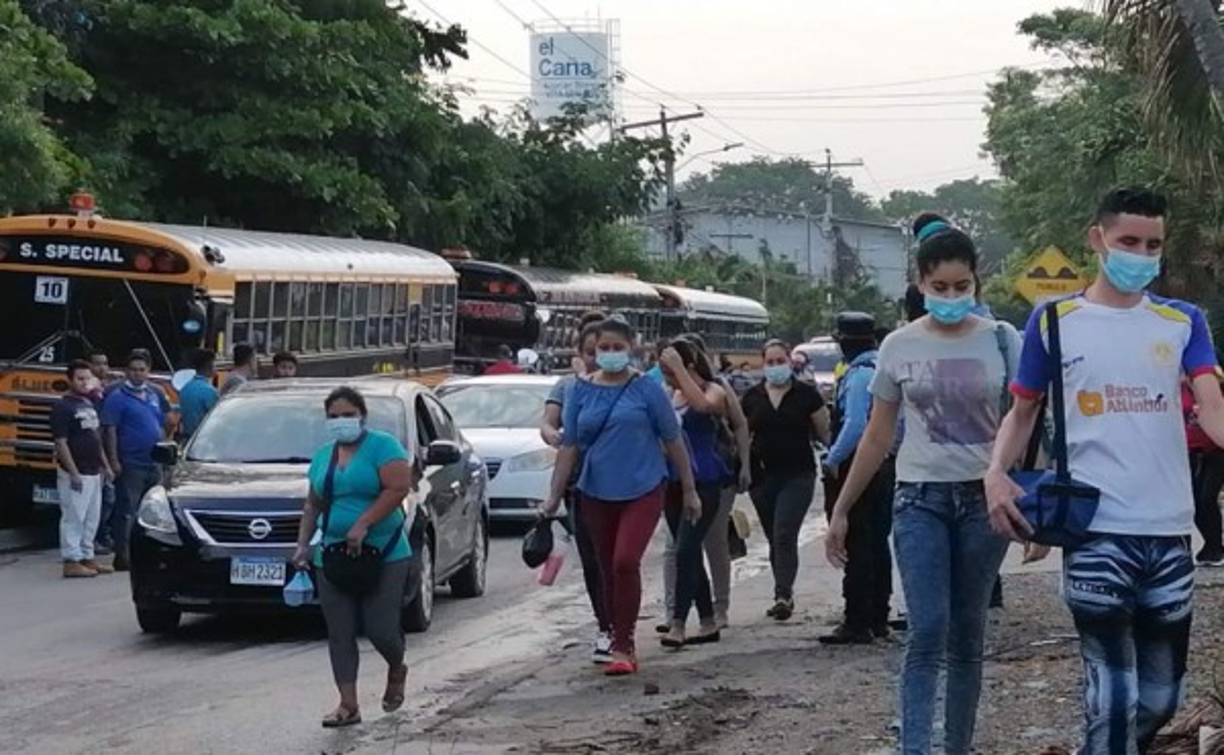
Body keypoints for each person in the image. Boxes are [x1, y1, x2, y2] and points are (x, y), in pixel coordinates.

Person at [985, 187, 1224, 754]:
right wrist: (996, 472)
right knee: (1112, 696)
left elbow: (1211, 406)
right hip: (1094, 530)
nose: (1141, 255)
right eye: (1129, 242)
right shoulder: (1055, 320)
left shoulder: (1183, 321)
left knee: (1162, 697)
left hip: (1169, 531)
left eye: (1153, 244)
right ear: (1098, 240)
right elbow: (1022, 411)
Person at [825, 213, 1022, 755]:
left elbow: (1025, 424)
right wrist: (842, 508)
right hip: (918, 501)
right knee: (927, 627)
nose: (952, 296)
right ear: (919, 285)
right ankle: (915, 746)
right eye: (940, 287)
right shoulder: (899, 347)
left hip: (985, 501)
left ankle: (957, 745)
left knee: (967, 634)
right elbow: (876, 435)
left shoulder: (1003, 342)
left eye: (962, 286)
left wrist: (1035, 517)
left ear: (977, 282)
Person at [540, 318, 699, 676]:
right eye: (604, 348)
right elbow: (570, 445)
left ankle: (625, 645)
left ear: (632, 349)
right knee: (606, 566)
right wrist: (553, 497)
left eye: (617, 347)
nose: (610, 354)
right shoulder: (580, 390)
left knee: (626, 561)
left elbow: (673, 439)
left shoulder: (647, 390)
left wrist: (689, 489)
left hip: (643, 487)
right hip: (595, 490)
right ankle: (613, 635)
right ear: (593, 352)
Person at [291, 386, 414, 728]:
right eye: (333, 417)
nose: (341, 422)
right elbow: (313, 503)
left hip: (383, 552)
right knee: (340, 631)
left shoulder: (383, 446)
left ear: (362, 415)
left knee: (381, 629)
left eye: (347, 415)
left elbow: (398, 488)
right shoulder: (323, 457)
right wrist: (303, 544)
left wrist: (364, 523)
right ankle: (348, 704)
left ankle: (396, 666)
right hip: (333, 554)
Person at [659, 333, 752, 631]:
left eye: (670, 370)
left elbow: (702, 406)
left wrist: (682, 370)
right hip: (673, 479)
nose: (668, 378)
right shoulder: (669, 393)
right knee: (683, 550)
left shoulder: (715, 390)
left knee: (697, 545)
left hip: (708, 477)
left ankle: (682, 621)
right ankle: (705, 618)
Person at [540, 311, 613, 664]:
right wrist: (551, 433)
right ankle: (607, 627)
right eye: (590, 351)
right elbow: (551, 424)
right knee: (594, 561)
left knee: (620, 559)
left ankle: (622, 625)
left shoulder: (631, 385)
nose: (596, 358)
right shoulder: (568, 387)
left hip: (625, 485)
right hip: (581, 486)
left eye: (604, 350)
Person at [741, 339, 830, 620]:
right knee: (773, 537)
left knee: (784, 534)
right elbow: (742, 436)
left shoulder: (807, 396)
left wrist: (834, 460)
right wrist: (742, 468)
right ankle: (781, 589)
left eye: (781, 361)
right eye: (771, 362)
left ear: (791, 362)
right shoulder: (752, 397)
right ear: (763, 364)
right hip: (762, 477)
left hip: (798, 475)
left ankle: (784, 594)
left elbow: (824, 432)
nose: (776, 367)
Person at [820, 312, 895, 645]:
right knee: (878, 543)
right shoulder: (884, 367)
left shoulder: (860, 376)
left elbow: (854, 425)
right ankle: (878, 616)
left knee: (856, 542)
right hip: (886, 466)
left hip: (859, 467)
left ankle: (857, 620)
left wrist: (832, 459)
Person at [100, 349, 168, 571]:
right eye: (133, 370)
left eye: (142, 370)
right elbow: (110, 430)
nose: (138, 374)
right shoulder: (117, 398)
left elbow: (163, 422)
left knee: (152, 511)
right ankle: (123, 556)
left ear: (148, 371)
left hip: (154, 462)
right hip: (131, 463)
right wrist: (113, 460)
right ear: (125, 372)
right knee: (127, 511)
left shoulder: (154, 394)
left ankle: (147, 556)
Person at [52, 360, 115, 578]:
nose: (84, 382)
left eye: (87, 378)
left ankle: (87, 556)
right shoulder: (63, 407)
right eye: (79, 378)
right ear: (69, 380)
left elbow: (96, 438)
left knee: (91, 517)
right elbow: (61, 443)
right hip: (75, 472)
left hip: (94, 471)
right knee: (74, 516)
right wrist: (73, 472)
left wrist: (105, 465)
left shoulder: (88, 404)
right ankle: (71, 560)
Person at [1185, 372, 1224, 566]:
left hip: (1217, 452)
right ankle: (1210, 545)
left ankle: (1216, 547)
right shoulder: (1182, 393)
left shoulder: (1216, 394)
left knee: (1207, 497)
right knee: (1194, 501)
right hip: (1192, 452)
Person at [178, 348, 219, 439]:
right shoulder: (209, 391)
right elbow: (217, 418)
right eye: (215, 364)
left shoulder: (185, 388)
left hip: (187, 438)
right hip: (203, 438)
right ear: (209, 366)